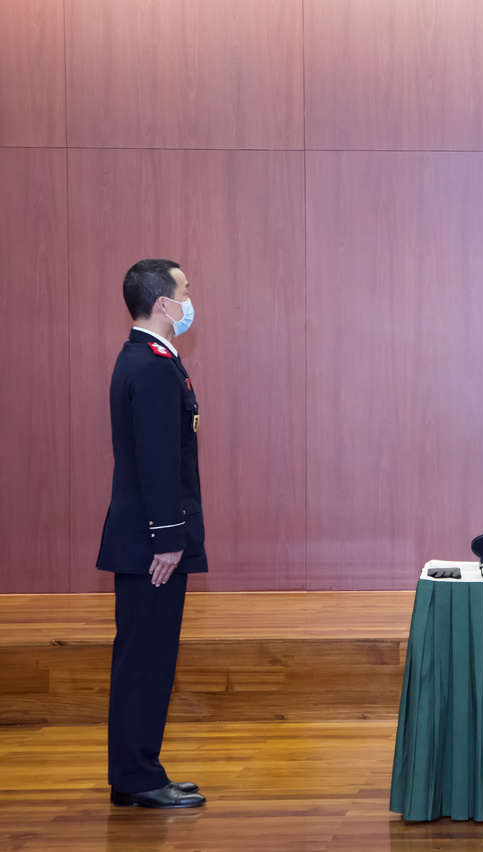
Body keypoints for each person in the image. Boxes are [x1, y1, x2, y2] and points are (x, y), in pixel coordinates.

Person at [97, 259, 207, 809]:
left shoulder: (146, 358)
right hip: (152, 544)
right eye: (184, 290)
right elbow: (157, 461)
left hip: (145, 538)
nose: (190, 300)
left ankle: (134, 773)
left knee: (144, 657)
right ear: (163, 303)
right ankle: (139, 778)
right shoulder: (153, 366)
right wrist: (168, 538)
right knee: (146, 660)